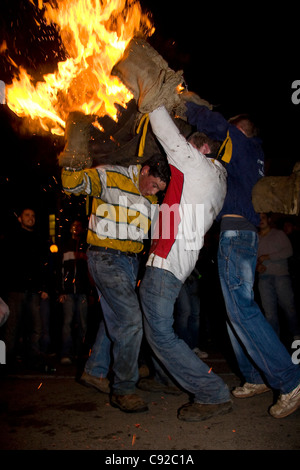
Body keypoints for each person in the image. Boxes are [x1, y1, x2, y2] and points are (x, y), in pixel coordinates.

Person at [186, 101, 300, 419]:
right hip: (243, 236)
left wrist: (184, 103)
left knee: (243, 312)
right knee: (234, 312)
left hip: (236, 237)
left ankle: (291, 380)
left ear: (239, 130)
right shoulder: (252, 155)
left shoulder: (242, 144)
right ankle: (253, 377)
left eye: (231, 132)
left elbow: (217, 125)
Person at [139, 105, 232, 422]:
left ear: (202, 148)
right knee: (158, 330)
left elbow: (168, 135)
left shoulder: (198, 166)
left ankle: (212, 392)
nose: (184, 150)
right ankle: (164, 378)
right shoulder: (219, 180)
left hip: (166, 261)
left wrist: (152, 100)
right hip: (178, 261)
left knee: (160, 334)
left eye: (191, 144)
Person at [61, 154, 170, 413]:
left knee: (117, 319)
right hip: (105, 257)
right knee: (131, 320)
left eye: (158, 190)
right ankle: (123, 389)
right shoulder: (109, 174)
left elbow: (156, 229)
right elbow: (72, 184)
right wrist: (72, 158)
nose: (153, 192)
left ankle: (95, 371)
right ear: (144, 171)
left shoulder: (152, 198)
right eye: (153, 184)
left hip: (130, 263)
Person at [2, 208, 50, 368]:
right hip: (16, 289)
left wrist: (44, 287)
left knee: (35, 326)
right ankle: (7, 360)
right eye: (27, 215)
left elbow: (43, 265)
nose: (31, 218)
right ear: (20, 219)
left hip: (34, 290)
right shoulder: (12, 237)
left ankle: (32, 358)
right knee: (12, 326)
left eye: (33, 215)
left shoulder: (38, 239)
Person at [257, 213, 300, 341]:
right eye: (258, 218)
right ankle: (274, 341)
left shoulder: (278, 234)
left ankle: (296, 335)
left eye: (263, 218)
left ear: (269, 220)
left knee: (289, 307)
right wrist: (257, 266)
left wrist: (268, 257)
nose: (261, 221)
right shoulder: (255, 238)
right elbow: (253, 258)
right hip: (264, 278)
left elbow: (288, 251)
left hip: (281, 276)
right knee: (269, 313)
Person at [59, 219, 90, 364]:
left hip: (82, 291)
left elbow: (89, 272)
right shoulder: (64, 246)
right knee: (67, 322)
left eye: (79, 226)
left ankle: (80, 353)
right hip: (68, 292)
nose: (76, 228)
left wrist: (90, 291)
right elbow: (59, 270)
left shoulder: (86, 247)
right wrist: (61, 290)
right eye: (74, 226)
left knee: (83, 323)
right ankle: (66, 353)